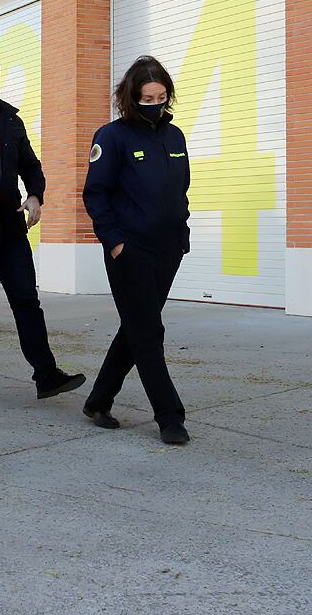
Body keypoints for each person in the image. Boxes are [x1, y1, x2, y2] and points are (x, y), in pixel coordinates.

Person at [0, 54, 83, 404]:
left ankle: (46, 375)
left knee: (27, 300)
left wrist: (36, 195)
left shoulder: (10, 120)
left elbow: (30, 164)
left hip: (8, 229)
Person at [81, 56, 192, 446]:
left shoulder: (174, 136)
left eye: (162, 97)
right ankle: (169, 416)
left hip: (168, 249)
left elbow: (181, 190)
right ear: (131, 97)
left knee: (136, 328)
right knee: (148, 331)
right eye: (148, 97)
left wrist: (182, 231)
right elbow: (96, 195)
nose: (156, 104)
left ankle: (98, 400)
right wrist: (114, 242)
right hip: (130, 249)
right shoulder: (111, 137)